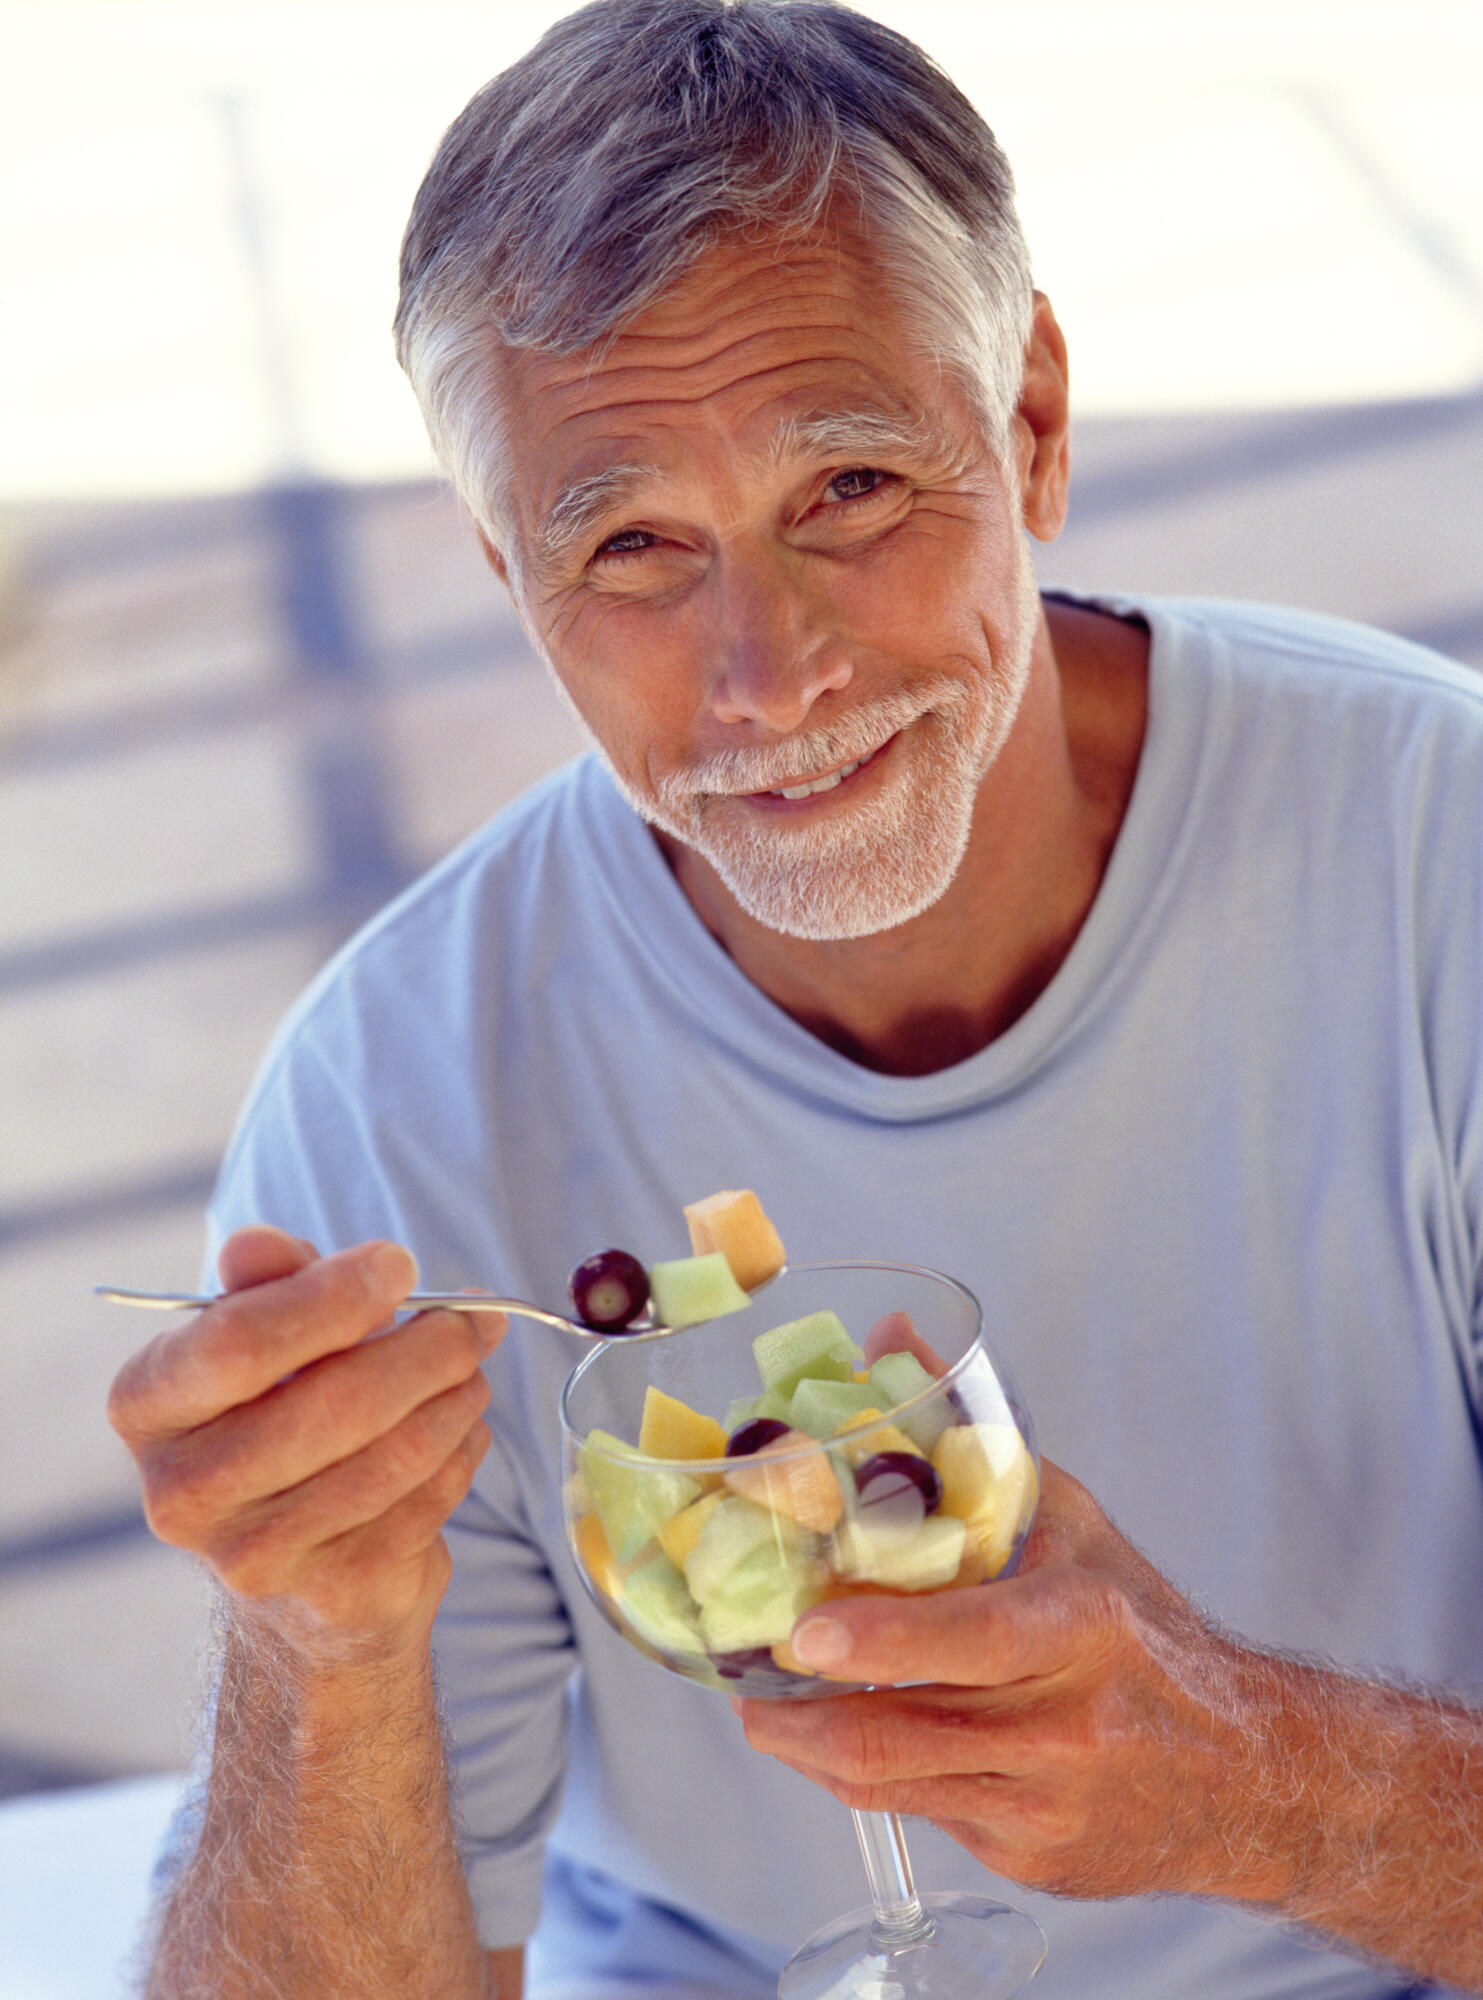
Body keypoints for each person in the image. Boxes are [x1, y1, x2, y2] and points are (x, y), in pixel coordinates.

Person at [106, 3, 1483, 1995]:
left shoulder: (1435, 862)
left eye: (846, 485)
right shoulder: (398, 1103)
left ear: (1029, 422)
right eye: (634, 545)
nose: (766, 678)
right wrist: (318, 1653)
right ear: (510, 575)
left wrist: (1248, 1783)